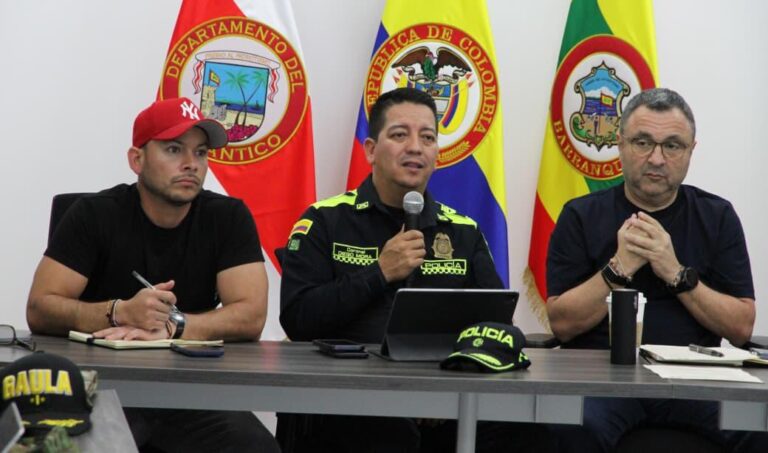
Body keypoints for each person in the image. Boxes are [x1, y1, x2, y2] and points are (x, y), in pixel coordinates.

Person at [279, 87, 551, 453]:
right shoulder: (324, 220)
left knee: (535, 430)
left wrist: (443, 387)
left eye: (427, 138)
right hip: (349, 393)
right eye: (399, 135)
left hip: (447, 390)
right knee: (390, 434)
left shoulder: (463, 231)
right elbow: (298, 318)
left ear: (437, 154)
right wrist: (378, 273)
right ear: (371, 150)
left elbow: (496, 324)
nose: (415, 147)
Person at [26, 97, 280, 453]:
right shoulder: (94, 214)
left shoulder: (227, 217)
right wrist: (119, 311)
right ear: (137, 159)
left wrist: (174, 327)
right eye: (174, 149)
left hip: (192, 393)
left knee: (256, 446)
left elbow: (251, 315)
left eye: (201, 152)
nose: (191, 164)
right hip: (100, 388)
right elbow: (40, 308)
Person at [546, 87, 760, 452]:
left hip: (695, 380)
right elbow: (562, 324)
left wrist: (675, 272)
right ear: (620, 145)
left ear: (691, 151)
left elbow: (741, 327)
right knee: (566, 428)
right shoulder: (580, 215)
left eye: (672, 146)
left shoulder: (717, 216)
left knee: (758, 425)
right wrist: (618, 269)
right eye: (643, 142)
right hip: (604, 380)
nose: (657, 159)